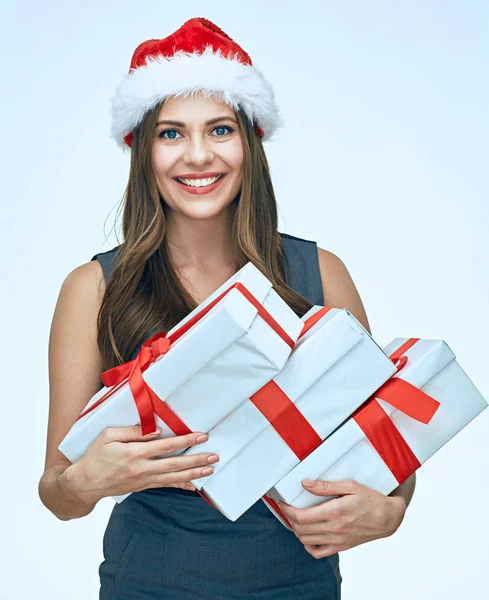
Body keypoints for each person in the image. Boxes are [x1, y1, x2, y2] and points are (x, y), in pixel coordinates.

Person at [38, 17, 415, 600]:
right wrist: (87, 481)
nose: (196, 156)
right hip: (148, 583)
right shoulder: (93, 289)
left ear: (250, 143)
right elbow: (56, 491)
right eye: (170, 134)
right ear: (142, 151)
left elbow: (389, 449)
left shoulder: (321, 274)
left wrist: (392, 511)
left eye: (219, 130)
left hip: (299, 583)